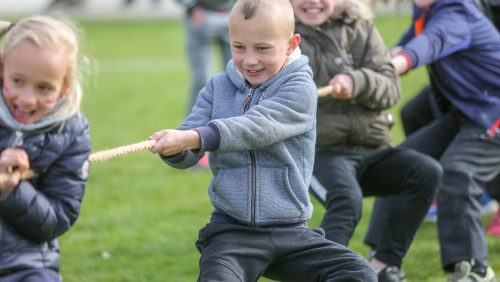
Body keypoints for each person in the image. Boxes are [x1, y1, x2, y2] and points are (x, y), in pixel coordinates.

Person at [149, 0, 377, 281]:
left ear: (292, 44)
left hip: (291, 231)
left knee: (357, 273)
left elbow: (256, 127)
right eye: (239, 47)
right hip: (231, 233)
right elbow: (189, 149)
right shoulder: (216, 88)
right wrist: (175, 148)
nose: (249, 59)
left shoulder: (300, 86)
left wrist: (197, 137)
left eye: (263, 48)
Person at [290, 0, 442, 281]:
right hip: (319, 153)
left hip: (373, 149)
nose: (312, 2)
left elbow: (391, 88)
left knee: (426, 172)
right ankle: (325, 274)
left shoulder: (360, 27)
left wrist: (356, 82)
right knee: (347, 201)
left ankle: (384, 265)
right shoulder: (284, 36)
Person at [387, 0, 500, 281]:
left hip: (494, 112)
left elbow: (429, 44)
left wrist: (393, 65)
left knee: (457, 171)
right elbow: (409, 43)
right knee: (400, 162)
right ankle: (382, 263)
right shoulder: (425, 10)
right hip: (469, 114)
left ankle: (476, 269)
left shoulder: (456, 12)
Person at [0, 15, 91, 281]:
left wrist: (10, 190)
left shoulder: (71, 133)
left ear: (63, 87)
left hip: (25, 264)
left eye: (44, 88)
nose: (27, 99)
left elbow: (57, 218)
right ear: (2, 68)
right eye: (17, 81)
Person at [175, 0, 236, 169]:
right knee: (201, 83)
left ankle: (235, 148)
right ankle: (191, 149)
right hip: (202, 16)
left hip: (234, 15)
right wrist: (190, 6)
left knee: (239, 82)